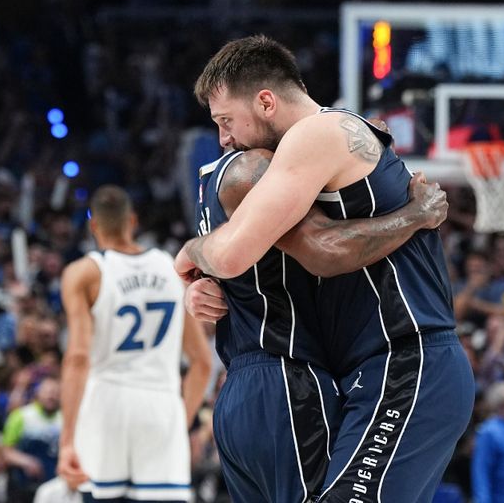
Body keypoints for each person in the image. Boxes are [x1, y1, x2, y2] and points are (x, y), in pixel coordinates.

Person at [177, 35, 474, 502]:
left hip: (408, 356)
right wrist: (203, 281)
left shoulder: (316, 134)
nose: (224, 139)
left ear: (266, 101)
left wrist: (191, 252)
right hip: (370, 365)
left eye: (226, 120)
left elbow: (314, 251)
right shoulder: (322, 142)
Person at [187, 146, 449, 503]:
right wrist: (417, 214)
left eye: (225, 120)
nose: (224, 136)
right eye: (220, 120)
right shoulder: (256, 168)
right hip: (285, 379)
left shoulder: (212, 185)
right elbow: (324, 248)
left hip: (236, 392)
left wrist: (190, 263)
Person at [57, 185, 212, 502]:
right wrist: (177, 421)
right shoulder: (172, 267)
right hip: (160, 402)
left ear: (94, 225)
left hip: (105, 403)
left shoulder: (83, 273)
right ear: (133, 220)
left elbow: (77, 358)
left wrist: (67, 440)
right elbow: (201, 363)